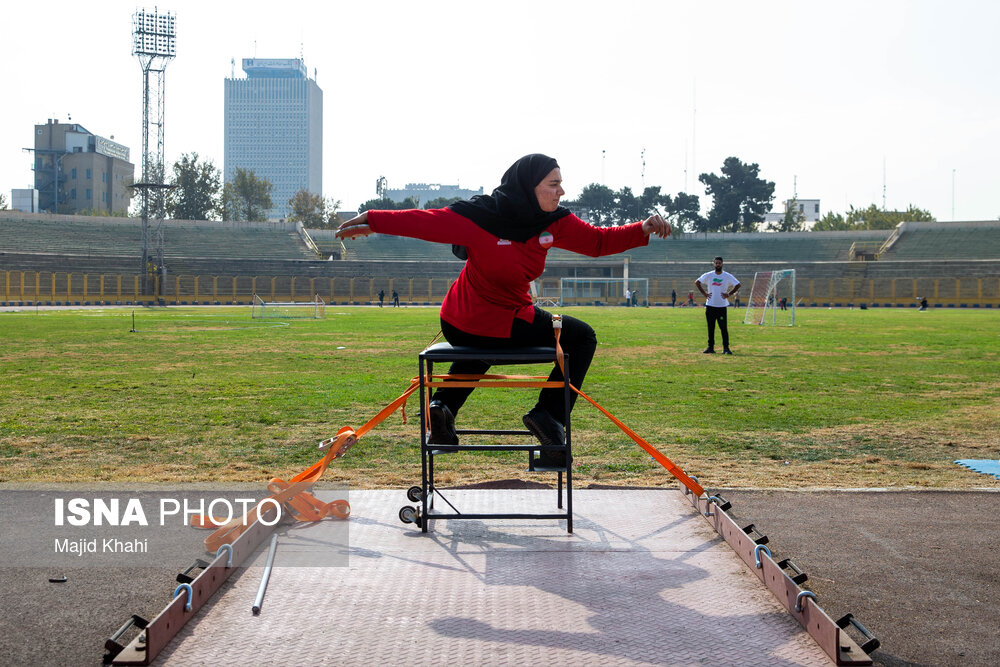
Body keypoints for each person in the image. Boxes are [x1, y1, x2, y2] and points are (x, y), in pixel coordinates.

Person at [336, 154, 672, 467]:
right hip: (500, 321)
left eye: (561, 184)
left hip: (460, 322)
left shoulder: (547, 221)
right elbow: (425, 222)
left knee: (483, 346)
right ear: (529, 187)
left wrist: (642, 228)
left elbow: (598, 242)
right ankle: (549, 416)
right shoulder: (483, 217)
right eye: (553, 184)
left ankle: (443, 407)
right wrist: (372, 219)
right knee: (582, 337)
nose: (561, 191)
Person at [695, 256, 740, 355]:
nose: (718, 265)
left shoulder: (727, 276)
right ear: (714, 264)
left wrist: (729, 294)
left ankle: (726, 348)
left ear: (722, 264)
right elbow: (697, 282)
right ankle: (710, 347)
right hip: (710, 305)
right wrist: (704, 294)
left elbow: (738, 284)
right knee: (710, 328)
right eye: (716, 263)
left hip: (721, 306)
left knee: (723, 328)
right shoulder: (709, 275)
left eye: (719, 263)